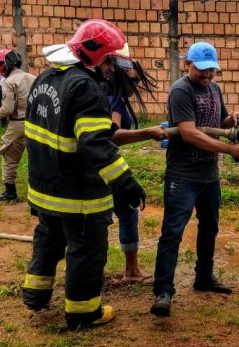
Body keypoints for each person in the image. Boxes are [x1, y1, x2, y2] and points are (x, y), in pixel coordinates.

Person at [20, 19, 147, 330]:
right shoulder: (87, 89)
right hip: (77, 193)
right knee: (87, 248)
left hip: (43, 186)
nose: (112, 69)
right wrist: (126, 183)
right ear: (99, 57)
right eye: (111, 61)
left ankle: (36, 293)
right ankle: (83, 313)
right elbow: (95, 144)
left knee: (48, 238)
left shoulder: (46, 78)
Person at [150, 42, 239, 317]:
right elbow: (190, 133)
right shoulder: (180, 90)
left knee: (210, 228)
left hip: (209, 176)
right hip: (182, 176)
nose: (207, 76)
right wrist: (230, 149)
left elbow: (220, 122)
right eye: (202, 70)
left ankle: (204, 277)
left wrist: (234, 118)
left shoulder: (214, 89)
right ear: (187, 65)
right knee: (172, 233)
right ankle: (163, 291)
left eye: (212, 71)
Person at [106, 44, 166, 283]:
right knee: (121, 211)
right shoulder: (112, 99)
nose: (135, 85)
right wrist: (148, 133)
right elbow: (111, 135)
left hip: (106, 163)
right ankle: (129, 270)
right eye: (132, 80)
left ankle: (128, 269)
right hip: (101, 166)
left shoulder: (115, 95)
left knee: (123, 211)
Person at [0, 49, 36, 202]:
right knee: (37, 158)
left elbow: (8, 109)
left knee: (9, 157)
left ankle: (10, 192)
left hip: (18, 124)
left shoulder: (9, 82)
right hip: (36, 123)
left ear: (3, 66)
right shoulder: (33, 78)